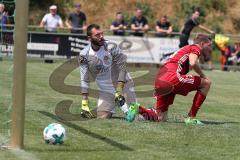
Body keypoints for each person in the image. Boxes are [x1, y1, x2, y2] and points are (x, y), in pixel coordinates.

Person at [139, 34, 212, 125]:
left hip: (160, 79)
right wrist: (203, 75)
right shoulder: (196, 48)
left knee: (161, 117)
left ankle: (138, 109)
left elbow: (188, 64)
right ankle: (191, 117)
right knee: (206, 83)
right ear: (202, 44)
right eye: (209, 45)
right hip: (171, 77)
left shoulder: (185, 49)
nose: (210, 48)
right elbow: (193, 63)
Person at [79, 24, 137, 119]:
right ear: (89, 38)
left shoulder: (111, 46)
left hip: (123, 84)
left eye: (102, 34)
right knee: (102, 118)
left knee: (136, 117)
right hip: (105, 90)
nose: (101, 37)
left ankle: (149, 112)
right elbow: (84, 78)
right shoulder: (84, 54)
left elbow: (122, 67)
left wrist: (119, 89)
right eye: (97, 35)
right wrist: (84, 102)